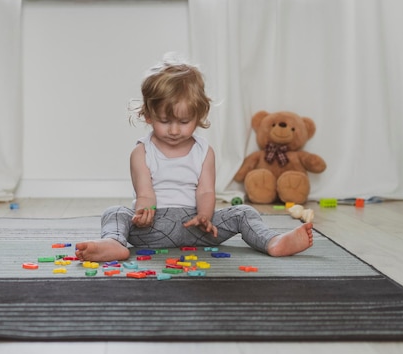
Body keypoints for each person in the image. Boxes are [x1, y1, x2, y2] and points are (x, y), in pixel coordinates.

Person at [75, 56, 313, 262]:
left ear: (199, 115)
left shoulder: (204, 150)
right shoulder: (141, 152)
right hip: (154, 227)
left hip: (198, 225)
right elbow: (145, 192)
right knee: (115, 213)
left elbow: (206, 191)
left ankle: (272, 241)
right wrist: (144, 213)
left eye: (184, 122)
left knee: (244, 212)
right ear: (147, 115)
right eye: (165, 121)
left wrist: (205, 216)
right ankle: (114, 243)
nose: (175, 130)